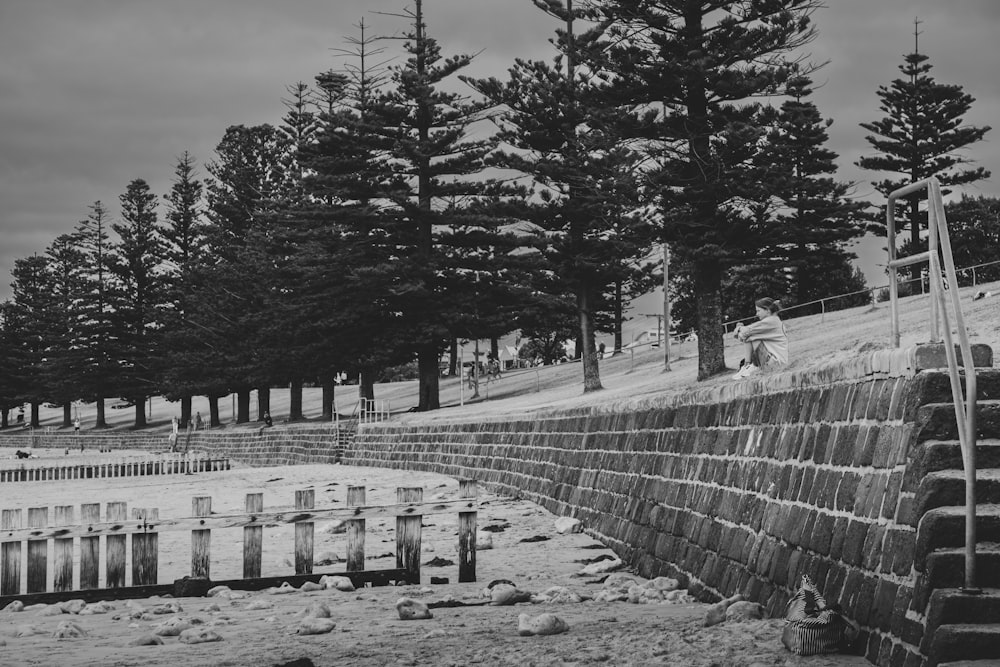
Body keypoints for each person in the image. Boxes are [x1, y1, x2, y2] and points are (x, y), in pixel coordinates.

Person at [732, 297, 788, 380]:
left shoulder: (770, 321)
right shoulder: (773, 321)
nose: (756, 314)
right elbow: (743, 335)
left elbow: (744, 334)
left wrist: (739, 328)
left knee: (753, 337)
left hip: (776, 364)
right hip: (776, 362)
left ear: (768, 310)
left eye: (758, 311)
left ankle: (750, 366)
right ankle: (748, 366)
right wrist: (741, 332)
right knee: (752, 335)